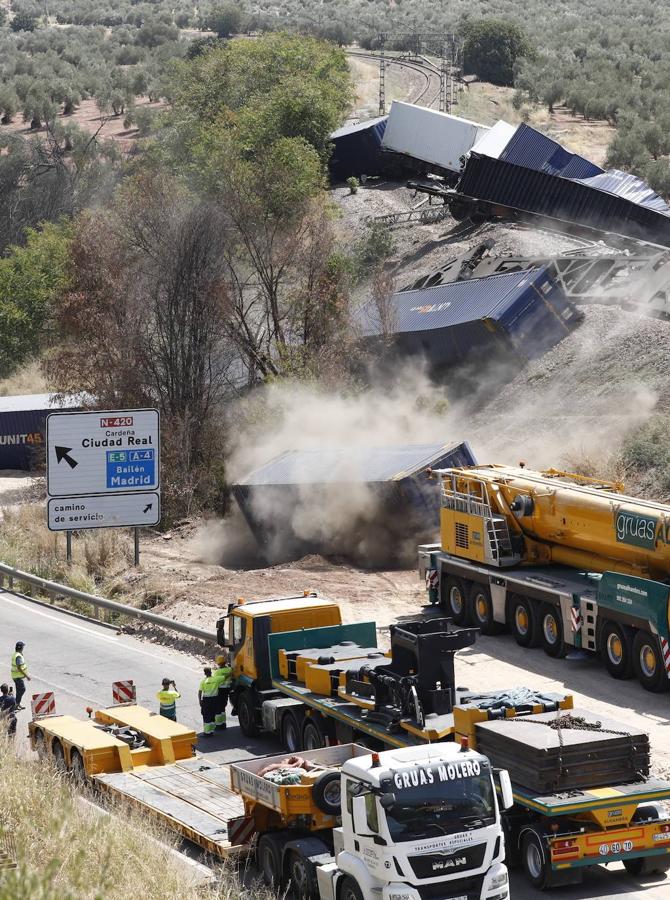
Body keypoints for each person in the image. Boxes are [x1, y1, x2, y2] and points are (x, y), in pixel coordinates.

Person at [213, 653, 233, 730]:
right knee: (223, 708)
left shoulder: (218, 672)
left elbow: (215, 682)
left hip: (220, 691)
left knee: (218, 708)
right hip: (227, 690)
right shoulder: (229, 669)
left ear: (218, 663)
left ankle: (218, 725)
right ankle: (223, 723)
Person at [198, 667, 219, 737]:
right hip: (214, 700)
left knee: (206, 715)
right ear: (211, 672)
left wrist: (200, 700)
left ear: (205, 673)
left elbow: (200, 692)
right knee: (213, 714)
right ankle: (211, 731)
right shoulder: (216, 679)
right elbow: (225, 677)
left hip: (206, 700)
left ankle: (207, 733)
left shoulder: (203, 681)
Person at [11, 641, 30, 710]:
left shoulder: (16, 654)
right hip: (17, 677)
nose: (23, 648)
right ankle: (16, 704)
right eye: (23, 647)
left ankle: (17, 703)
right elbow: (19, 667)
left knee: (19, 691)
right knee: (22, 690)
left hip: (15, 676)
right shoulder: (18, 656)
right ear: (21, 648)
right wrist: (27, 676)